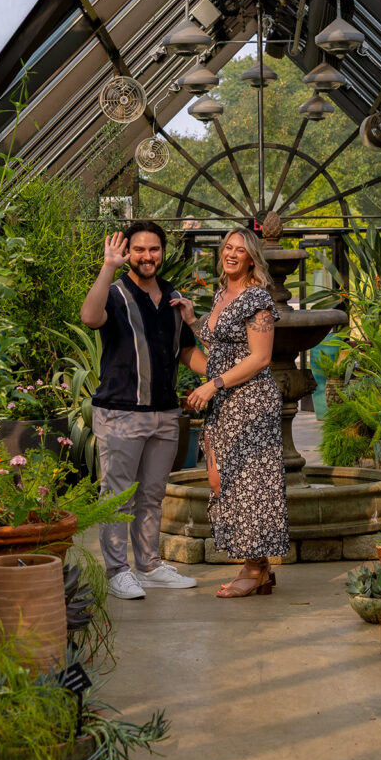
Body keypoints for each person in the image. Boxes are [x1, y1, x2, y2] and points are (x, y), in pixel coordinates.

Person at [80, 220, 208, 599]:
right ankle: (118, 570)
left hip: (165, 413)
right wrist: (107, 266)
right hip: (121, 412)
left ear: (162, 253)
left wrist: (221, 375)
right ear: (129, 254)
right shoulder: (115, 293)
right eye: (139, 250)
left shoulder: (173, 297)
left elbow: (185, 352)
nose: (147, 256)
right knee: (118, 494)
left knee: (153, 494)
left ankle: (149, 565)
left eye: (153, 249)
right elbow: (90, 317)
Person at [171, 227, 289, 597]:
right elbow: (221, 344)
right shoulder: (223, 294)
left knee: (249, 483)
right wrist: (192, 320)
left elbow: (261, 357)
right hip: (225, 404)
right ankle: (262, 568)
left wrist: (213, 384)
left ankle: (253, 568)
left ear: (252, 257)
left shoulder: (257, 299)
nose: (232, 253)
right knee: (223, 480)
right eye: (227, 247)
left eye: (240, 249)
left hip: (251, 403)